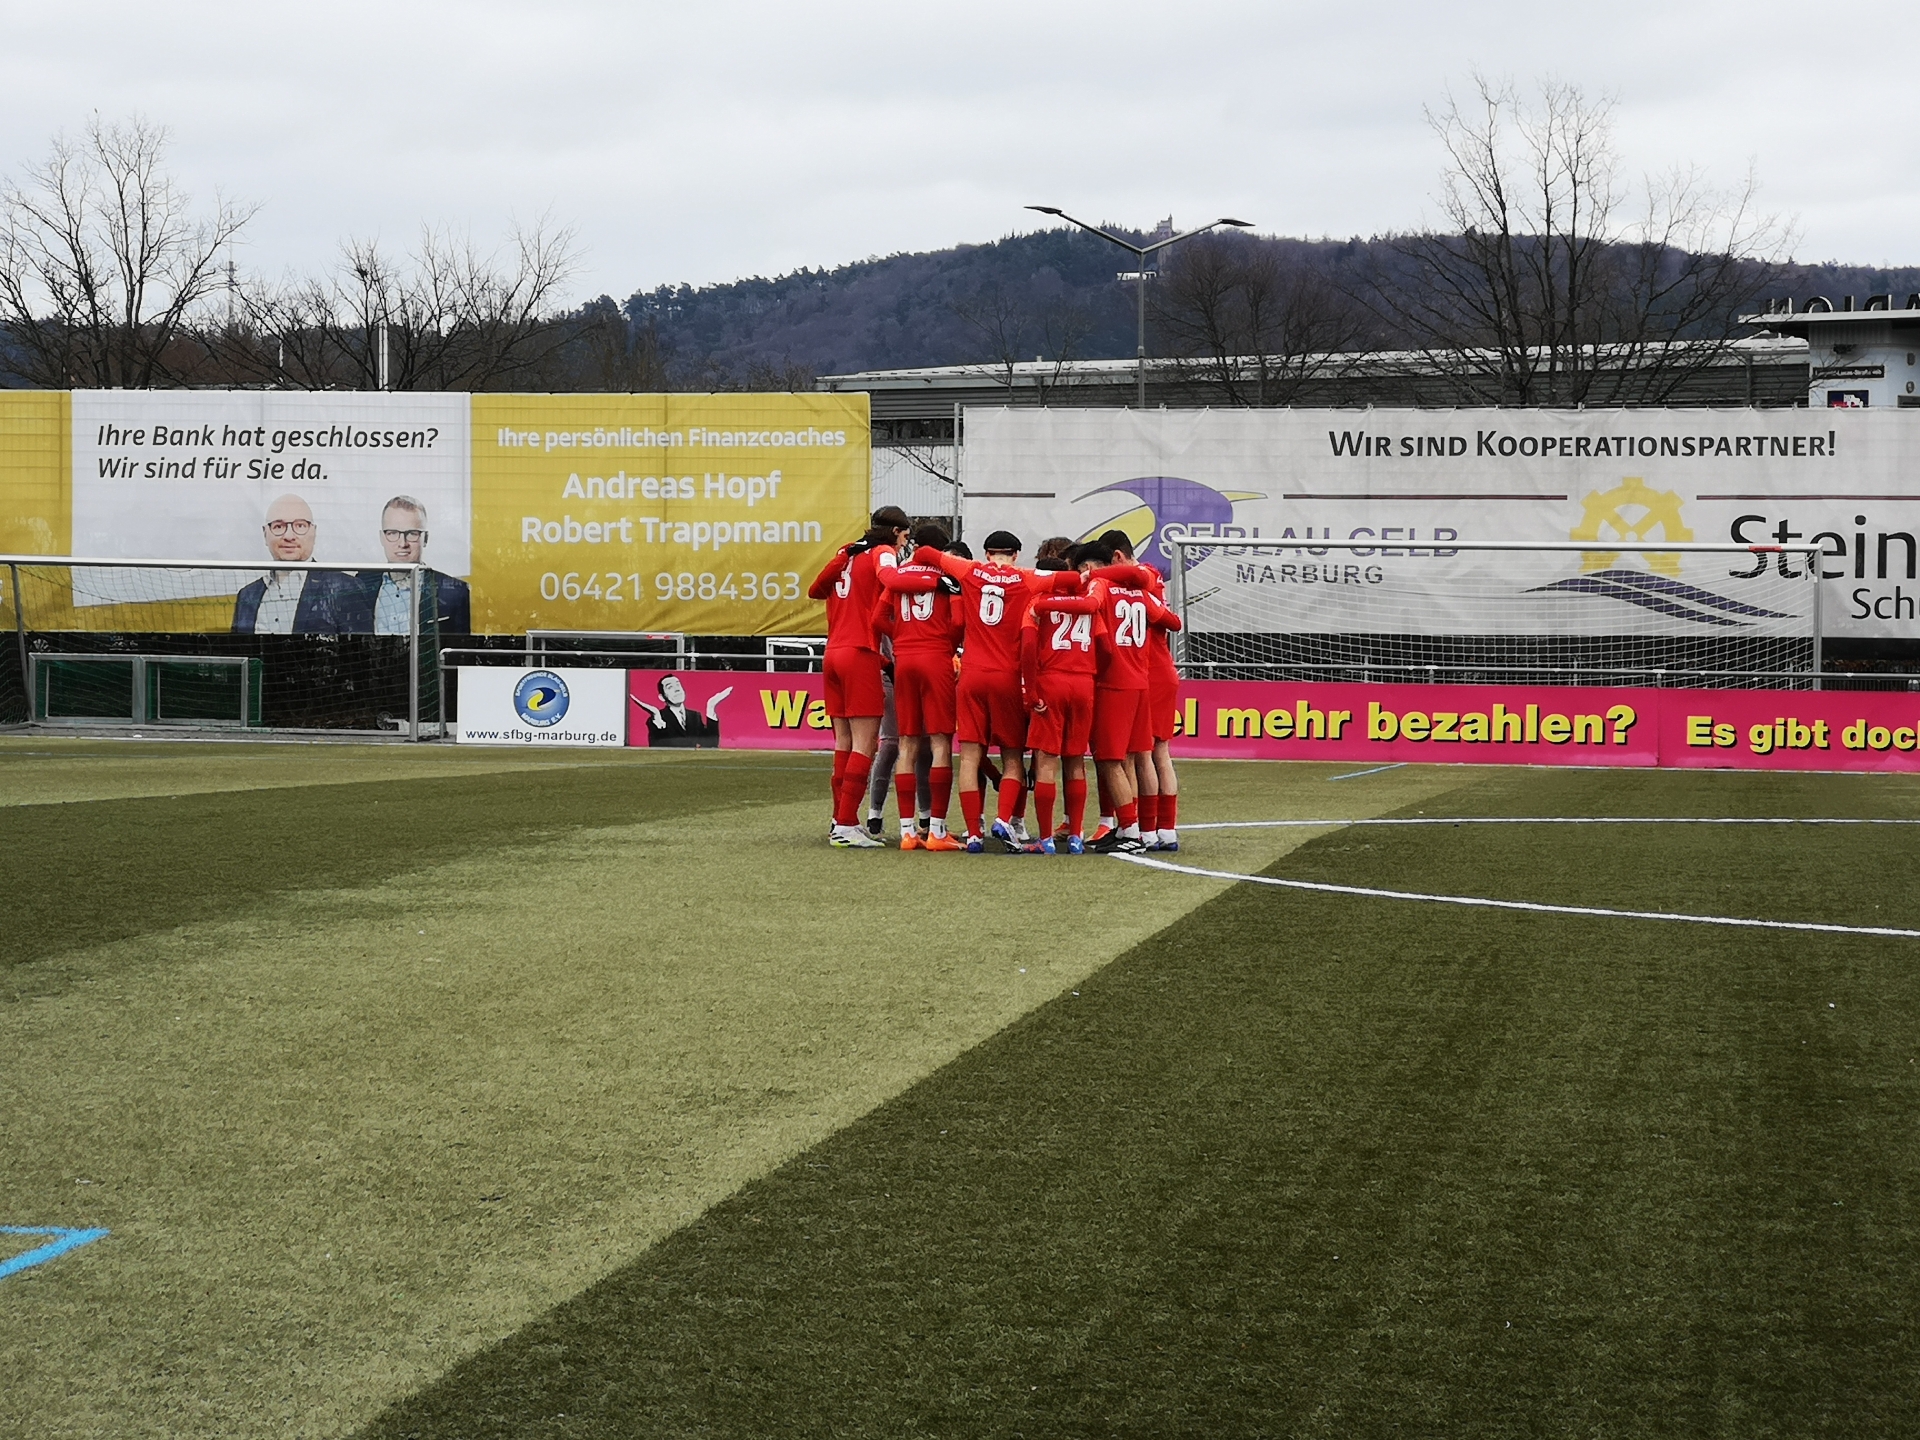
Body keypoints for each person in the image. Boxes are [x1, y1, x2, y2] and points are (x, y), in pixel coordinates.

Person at [906, 528, 1083, 853]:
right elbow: (1072, 580)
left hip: (972, 675)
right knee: (1013, 756)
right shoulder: (1026, 577)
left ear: (987, 554)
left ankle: (974, 834)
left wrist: (926, 574)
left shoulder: (969, 570)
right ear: (1015, 555)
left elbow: (926, 554)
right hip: (1007, 677)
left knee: (970, 756)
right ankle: (1004, 819)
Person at [808, 505, 910, 849]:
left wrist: (843, 556)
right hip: (860, 652)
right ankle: (846, 824)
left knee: (844, 743)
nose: (904, 543)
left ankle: (841, 820)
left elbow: (815, 590)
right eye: (904, 536)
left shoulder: (847, 552)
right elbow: (892, 580)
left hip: (833, 653)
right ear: (895, 532)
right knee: (866, 743)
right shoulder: (883, 553)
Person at [1081, 540, 1182, 853]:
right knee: (1148, 753)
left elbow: (1094, 612)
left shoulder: (1119, 582)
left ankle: (1135, 829)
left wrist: (1087, 579)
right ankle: (1154, 830)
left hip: (1131, 677)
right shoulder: (1143, 588)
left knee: (1127, 757)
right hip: (1146, 675)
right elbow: (1173, 621)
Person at [875, 523, 965, 850]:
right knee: (940, 743)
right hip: (935, 657)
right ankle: (937, 831)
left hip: (905, 659)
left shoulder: (899, 576)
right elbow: (958, 622)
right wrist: (946, 646)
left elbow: (877, 619)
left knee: (907, 743)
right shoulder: (947, 577)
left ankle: (907, 832)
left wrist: (901, 638)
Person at [1020, 554, 1104, 853]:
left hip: (1051, 681)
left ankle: (1045, 839)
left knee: (1046, 760)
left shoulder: (1037, 602)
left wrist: (1031, 693)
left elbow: (1028, 648)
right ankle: (1076, 836)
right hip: (1083, 682)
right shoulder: (1086, 601)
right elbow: (1104, 644)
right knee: (1075, 761)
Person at [343, 495, 472, 636]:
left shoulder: (454, 592)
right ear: (382, 538)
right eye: (392, 533)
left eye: (412, 534)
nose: (402, 543)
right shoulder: (362, 582)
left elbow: (459, 648)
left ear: (425, 539)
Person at [231, 494, 350, 634]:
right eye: (278, 526)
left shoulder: (345, 589)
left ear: (314, 532)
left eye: (300, 525)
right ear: (265, 534)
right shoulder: (247, 595)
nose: (289, 536)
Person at [635, 673, 732, 747]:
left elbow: (711, 744)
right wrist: (660, 725)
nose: (677, 689)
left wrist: (711, 707)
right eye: (670, 687)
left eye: (678, 685)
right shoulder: (658, 718)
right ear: (662, 697)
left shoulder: (695, 716)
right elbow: (657, 748)